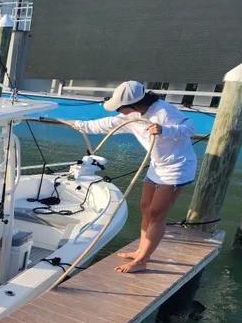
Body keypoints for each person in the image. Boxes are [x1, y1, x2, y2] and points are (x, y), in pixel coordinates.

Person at [66, 81, 197, 273]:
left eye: (120, 107)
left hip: (176, 168)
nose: (118, 110)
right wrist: (79, 125)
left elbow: (189, 127)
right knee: (145, 208)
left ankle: (142, 260)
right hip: (157, 165)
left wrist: (164, 130)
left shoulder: (163, 111)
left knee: (157, 214)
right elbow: (108, 124)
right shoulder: (133, 115)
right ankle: (141, 251)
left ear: (134, 104)